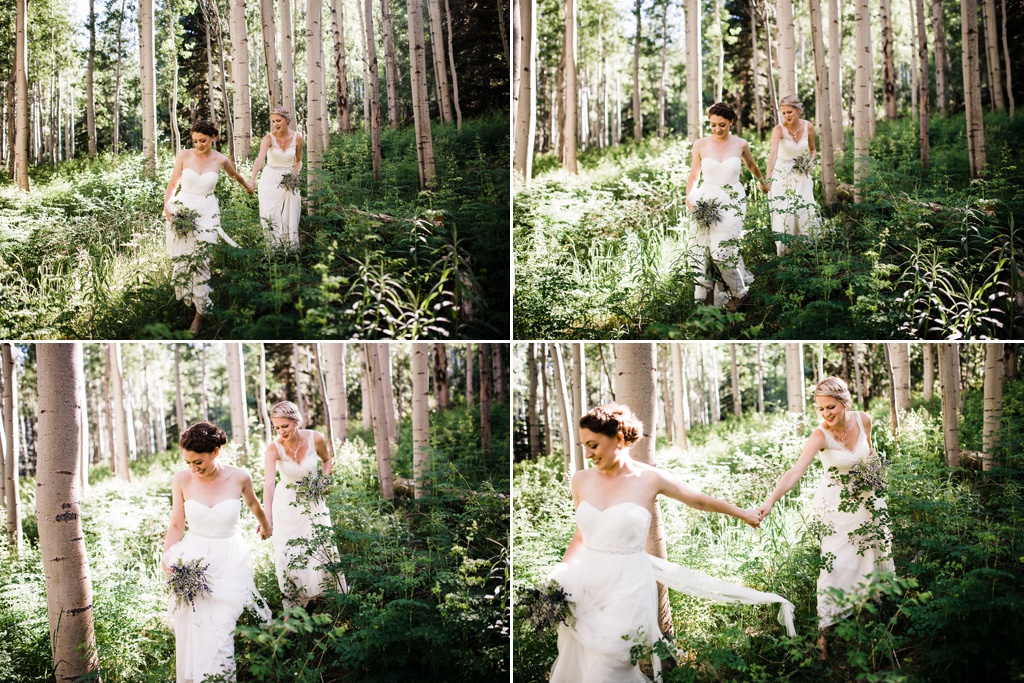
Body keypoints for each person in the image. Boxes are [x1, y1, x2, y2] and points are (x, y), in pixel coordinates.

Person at [549, 404, 795, 683]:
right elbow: (580, 537)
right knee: (584, 662)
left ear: (618, 438)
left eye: (593, 445)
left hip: (627, 585)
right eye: (584, 446)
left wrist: (742, 513)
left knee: (612, 662)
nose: (587, 453)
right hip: (587, 582)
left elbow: (698, 499)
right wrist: (559, 579)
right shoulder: (580, 480)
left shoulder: (649, 479)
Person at [756, 377, 894, 659]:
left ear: (845, 402)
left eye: (830, 407)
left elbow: (870, 451)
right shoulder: (820, 436)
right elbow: (795, 471)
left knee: (870, 557)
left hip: (869, 503)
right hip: (837, 511)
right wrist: (770, 501)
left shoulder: (864, 420)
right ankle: (823, 637)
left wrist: (875, 472)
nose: (826, 414)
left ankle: (867, 622)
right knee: (834, 569)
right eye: (820, 409)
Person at [162, 421, 272, 683]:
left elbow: (254, 505)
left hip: (230, 560)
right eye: (189, 462)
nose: (193, 468)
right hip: (194, 559)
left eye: (198, 461)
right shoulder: (181, 479)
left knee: (221, 630)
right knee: (193, 629)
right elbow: (177, 523)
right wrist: (167, 558)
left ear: (216, 452)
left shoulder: (240, 477)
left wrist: (266, 526)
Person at [163, 120, 254, 334]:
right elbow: (173, 183)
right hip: (183, 209)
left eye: (202, 141)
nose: (198, 145)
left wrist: (248, 187)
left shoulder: (220, 159)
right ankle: (190, 299)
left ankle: (200, 315)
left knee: (201, 258)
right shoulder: (183, 156)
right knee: (184, 259)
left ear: (213, 137)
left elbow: (234, 175)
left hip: (207, 211)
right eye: (194, 141)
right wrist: (167, 206)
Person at [261, 401, 348, 608]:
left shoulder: (315, 438)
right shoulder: (274, 449)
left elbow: (327, 461)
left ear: (296, 422)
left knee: (318, 544)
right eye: (277, 427)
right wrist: (267, 518)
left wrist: (323, 480)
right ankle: (298, 603)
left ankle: (323, 598)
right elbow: (269, 485)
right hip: (286, 506)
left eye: (285, 426)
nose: (281, 431)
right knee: (289, 551)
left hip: (313, 502)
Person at [686, 102, 770, 310]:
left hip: (732, 201)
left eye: (722, 124)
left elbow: (751, 165)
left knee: (722, 252)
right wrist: (689, 197)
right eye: (713, 125)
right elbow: (694, 174)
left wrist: (762, 182)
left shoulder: (740, 144)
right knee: (702, 251)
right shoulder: (700, 144)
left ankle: (741, 293)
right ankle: (706, 301)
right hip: (706, 199)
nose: (717, 129)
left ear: (731, 122)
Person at [765, 95, 819, 256]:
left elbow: (813, 150)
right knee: (785, 210)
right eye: (784, 113)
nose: (787, 116)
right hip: (782, 175)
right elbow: (773, 154)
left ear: (798, 110)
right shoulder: (778, 129)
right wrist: (768, 178)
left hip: (802, 174)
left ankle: (807, 249)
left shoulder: (808, 126)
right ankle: (784, 251)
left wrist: (809, 162)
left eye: (790, 112)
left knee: (804, 208)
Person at [249, 107, 303, 247]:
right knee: (270, 214)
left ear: (287, 120)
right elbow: (260, 159)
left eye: (278, 120)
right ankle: (273, 249)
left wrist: (295, 177)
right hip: (270, 179)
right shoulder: (268, 138)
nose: (276, 124)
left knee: (290, 214)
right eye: (273, 121)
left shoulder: (297, 138)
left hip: (288, 180)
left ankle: (289, 249)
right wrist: (252, 179)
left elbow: (298, 161)